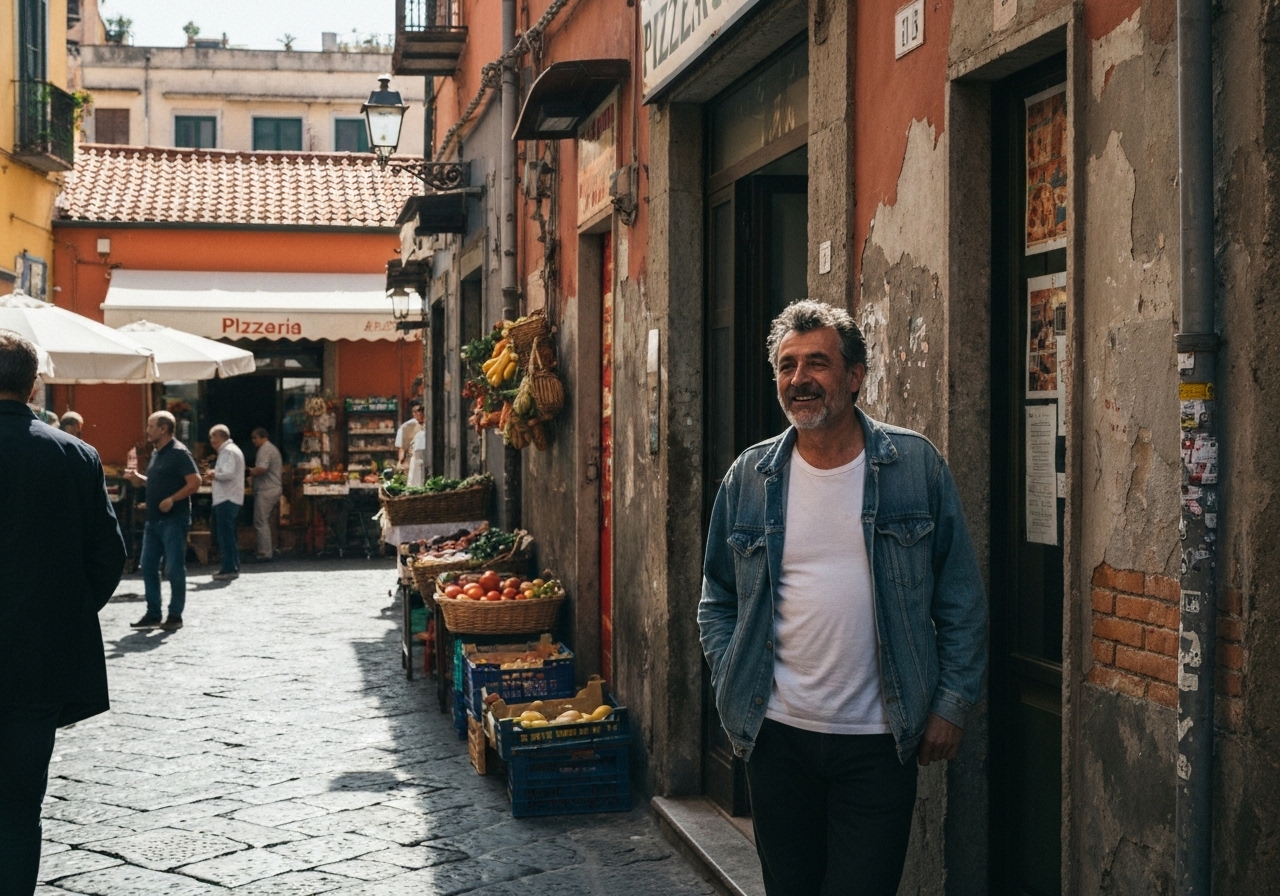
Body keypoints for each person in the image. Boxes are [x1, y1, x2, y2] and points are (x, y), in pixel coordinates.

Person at [698, 300, 987, 896]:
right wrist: (732, 682)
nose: (799, 379)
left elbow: (960, 599)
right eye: (787, 365)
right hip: (775, 737)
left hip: (878, 742)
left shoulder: (914, 467)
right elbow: (718, 598)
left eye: (817, 363)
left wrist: (951, 703)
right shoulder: (749, 478)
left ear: (855, 376)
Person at [0, 331, 126, 894]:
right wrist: (65, 612)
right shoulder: (75, 455)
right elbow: (108, 556)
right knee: (20, 808)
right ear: (33, 385)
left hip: (35, 652)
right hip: (38, 657)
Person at [125, 411, 201, 632]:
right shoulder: (158, 453)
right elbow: (158, 482)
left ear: (164, 428)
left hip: (174, 520)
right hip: (154, 520)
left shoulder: (179, 452)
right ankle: (153, 613)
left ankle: (175, 614)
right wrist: (139, 479)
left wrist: (173, 499)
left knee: (174, 568)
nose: (147, 431)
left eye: (151, 426)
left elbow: (195, 481)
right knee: (148, 565)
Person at [203, 424, 245, 582]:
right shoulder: (232, 450)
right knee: (229, 534)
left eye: (212, 438)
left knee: (225, 535)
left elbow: (227, 473)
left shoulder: (227, 451)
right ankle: (233, 565)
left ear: (220, 437)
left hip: (227, 497)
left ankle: (229, 568)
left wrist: (213, 473)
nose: (211, 442)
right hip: (231, 497)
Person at [248, 427, 282, 561]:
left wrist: (250, 472)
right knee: (265, 521)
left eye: (255, 438)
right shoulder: (270, 449)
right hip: (270, 488)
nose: (253, 441)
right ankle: (266, 549)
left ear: (263, 437)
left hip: (267, 489)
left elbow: (262, 468)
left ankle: (265, 552)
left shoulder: (265, 450)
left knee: (260, 521)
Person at [396, 399, 425, 466]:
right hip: (413, 461)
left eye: (420, 411)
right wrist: (400, 463)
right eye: (415, 412)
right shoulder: (406, 427)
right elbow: (402, 449)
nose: (419, 414)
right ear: (412, 413)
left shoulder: (430, 425)